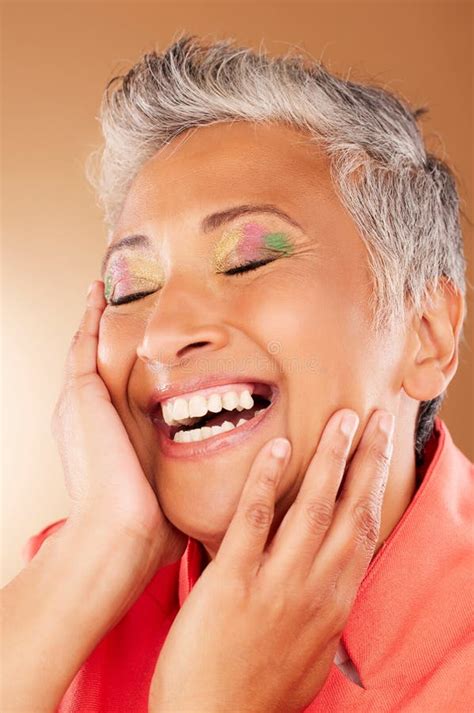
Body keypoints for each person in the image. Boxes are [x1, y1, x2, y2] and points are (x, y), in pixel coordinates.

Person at [2, 34, 472, 712]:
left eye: (247, 260)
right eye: (131, 289)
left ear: (426, 334)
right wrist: (102, 545)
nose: (161, 334)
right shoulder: (78, 590)